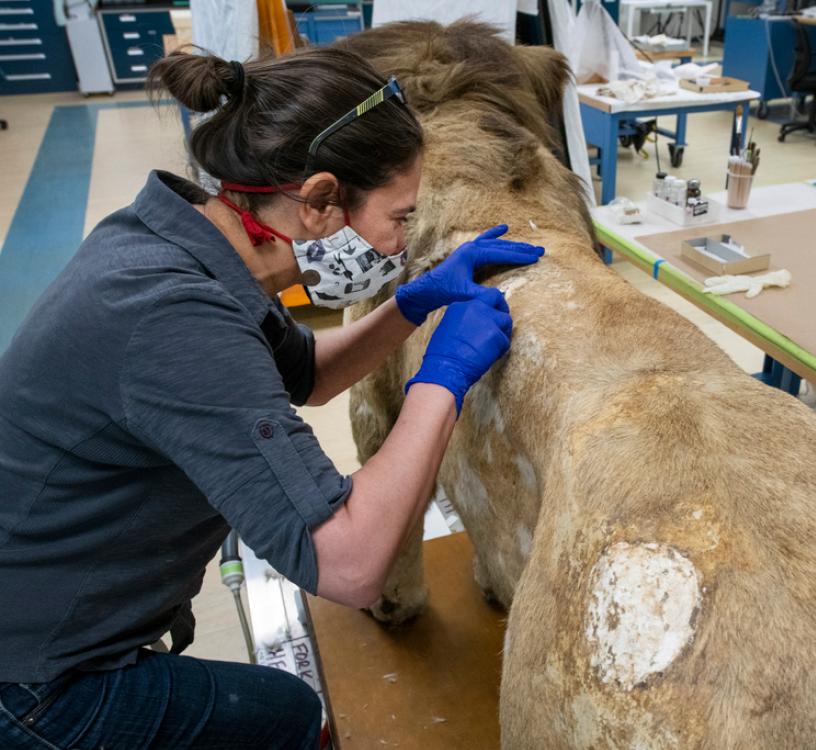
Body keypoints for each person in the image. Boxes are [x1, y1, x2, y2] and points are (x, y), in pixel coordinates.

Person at [0, 47, 543, 750]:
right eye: (401, 219)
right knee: (285, 717)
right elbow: (348, 565)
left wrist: (411, 306)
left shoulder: (186, 241)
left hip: (55, 604)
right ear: (318, 200)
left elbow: (305, 375)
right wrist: (441, 380)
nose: (402, 243)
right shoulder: (171, 314)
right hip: (33, 679)